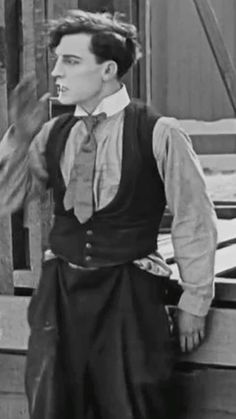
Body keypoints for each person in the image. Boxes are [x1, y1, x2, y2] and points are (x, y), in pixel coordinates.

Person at [0, 9, 217, 419]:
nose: (57, 72)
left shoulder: (158, 132)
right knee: (53, 404)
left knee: (133, 403)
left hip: (129, 294)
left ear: (108, 69)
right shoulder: (52, 133)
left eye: (71, 60)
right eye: (57, 60)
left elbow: (194, 217)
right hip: (60, 294)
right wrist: (20, 137)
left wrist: (195, 301)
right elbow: (7, 198)